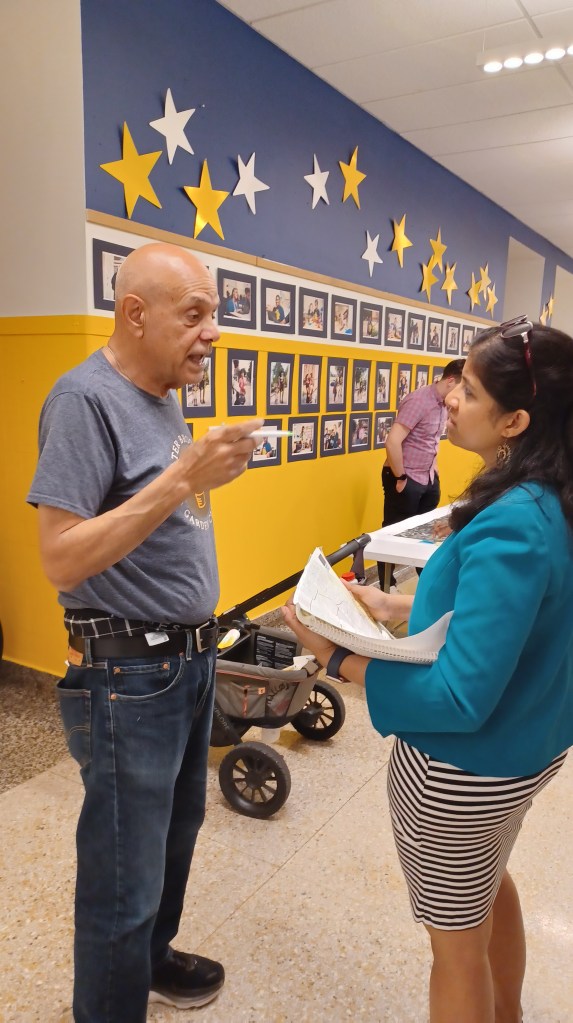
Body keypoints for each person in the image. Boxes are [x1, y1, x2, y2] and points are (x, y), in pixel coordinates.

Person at [283, 317, 573, 1023]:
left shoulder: (516, 519)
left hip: (464, 768)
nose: (448, 397)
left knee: (454, 947)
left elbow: (459, 696)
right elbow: (507, 612)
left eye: (467, 390)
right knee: (486, 887)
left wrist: (336, 656)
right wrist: (389, 603)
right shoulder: (549, 495)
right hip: (526, 747)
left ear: (515, 420)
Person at [26, 242, 263, 1023]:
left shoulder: (162, 396)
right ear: (134, 313)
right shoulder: (82, 400)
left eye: (213, 314)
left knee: (172, 839)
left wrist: (194, 477)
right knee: (122, 877)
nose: (212, 332)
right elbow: (61, 557)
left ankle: (151, 959)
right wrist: (183, 478)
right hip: (128, 678)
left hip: (185, 666)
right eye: (194, 314)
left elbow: (155, 515)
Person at [379, 358, 465, 588]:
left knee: (426, 536)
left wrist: (433, 470)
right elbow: (393, 441)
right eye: (462, 387)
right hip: (405, 478)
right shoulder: (419, 401)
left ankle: (428, 586)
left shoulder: (443, 405)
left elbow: (430, 439)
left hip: (427, 478)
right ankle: (388, 586)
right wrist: (400, 477)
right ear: (450, 381)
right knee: (392, 533)